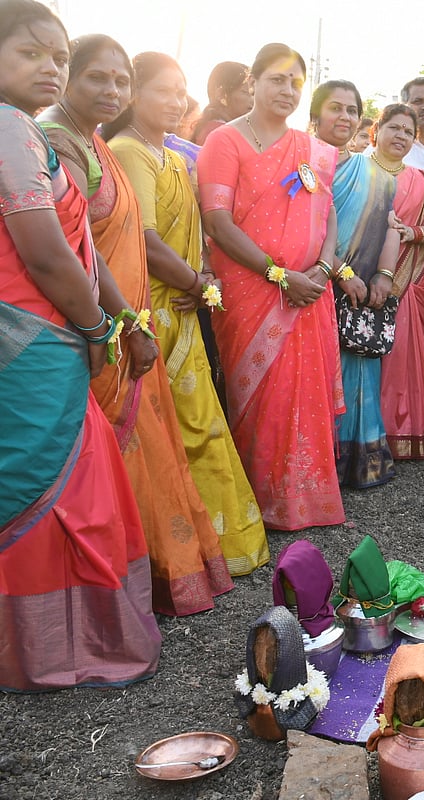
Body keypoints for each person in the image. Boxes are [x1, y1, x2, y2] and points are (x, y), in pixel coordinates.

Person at [41, 37, 234, 615]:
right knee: (104, 465)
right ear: (68, 76)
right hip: (90, 329)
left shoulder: (92, 141)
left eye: (120, 80)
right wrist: (119, 323)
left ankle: (140, 584)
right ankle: (102, 596)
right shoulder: (58, 141)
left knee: (143, 457)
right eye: (98, 78)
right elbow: (72, 251)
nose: (112, 90)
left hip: (125, 320)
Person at [0, 0, 161, 692]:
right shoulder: (8, 130)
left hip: (56, 333)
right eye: (30, 52)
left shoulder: (25, 132)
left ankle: (66, 639)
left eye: (57, 56)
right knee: (38, 484)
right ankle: (41, 651)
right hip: (30, 338)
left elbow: (81, 245)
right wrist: (99, 326)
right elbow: (43, 252)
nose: (49, 67)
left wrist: (119, 319)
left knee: (73, 482)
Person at [106, 51, 269, 576]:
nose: (176, 101)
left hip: (183, 304)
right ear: (133, 94)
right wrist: (199, 284)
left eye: (181, 91)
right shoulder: (129, 151)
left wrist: (204, 282)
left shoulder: (173, 157)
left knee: (198, 427)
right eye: (163, 90)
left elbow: (192, 237)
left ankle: (213, 543)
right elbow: (146, 241)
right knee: (173, 434)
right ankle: (178, 554)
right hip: (152, 309)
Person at [197, 42, 345, 530]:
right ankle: (260, 503)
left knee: (305, 395)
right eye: (277, 79)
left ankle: (308, 499)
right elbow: (217, 221)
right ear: (253, 83)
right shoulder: (225, 141)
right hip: (252, 291)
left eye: (295, 82)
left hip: (310, 293)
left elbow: (329, 215)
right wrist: (278, 275)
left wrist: (322, 272)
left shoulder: (311, 151)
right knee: (260, 398)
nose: (287, 90)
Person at [310, 80, 398, 486]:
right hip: (310, 286)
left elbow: (390, 224)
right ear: (314, 116)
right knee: (315, 376)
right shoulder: (299, 164)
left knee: (358, 370)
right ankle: (316, 467)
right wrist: (339, 272)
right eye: (335, 108)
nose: (344, 117)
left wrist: (383, 274)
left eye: (352, 110)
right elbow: (293, 230)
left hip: (361, 293)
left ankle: (359, 463)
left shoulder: (372, 171)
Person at [374, 104, 424, 461]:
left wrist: (412, 232)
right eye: (394, 128)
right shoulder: (358, 171)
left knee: (405, 355)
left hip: (412, 279)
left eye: (408, 131)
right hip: (365, 277)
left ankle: (408, 430)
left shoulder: (422, 180)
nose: (401, 136)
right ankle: (368, 435)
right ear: (378, 129)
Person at [192, 60, 251, 146]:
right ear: (222, 94)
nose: (254, 99)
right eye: (246, 92)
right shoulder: (218, 133)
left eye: (255, 93)